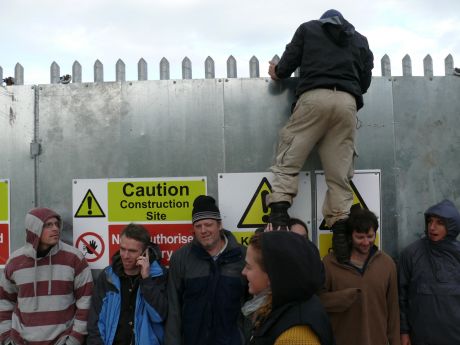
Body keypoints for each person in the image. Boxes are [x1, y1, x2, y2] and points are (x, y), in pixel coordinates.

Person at [266, 9, 374, 263]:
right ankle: (339, 235)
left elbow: (287, 64)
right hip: (347, 104)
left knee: (289, 156)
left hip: (314, 98)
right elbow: (365, 82)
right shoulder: (359, 40)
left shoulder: (308, 29)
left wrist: (276, 71)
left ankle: (280, 214)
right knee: (339, 175)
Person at [0, 207, 93, 345]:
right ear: (33, 229)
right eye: (48, 225)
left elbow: (85, 301)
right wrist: (6, 339)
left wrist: (74, 340)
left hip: (63, 341)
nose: (55, 229)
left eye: (56, 224)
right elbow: (4, 302)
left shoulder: (74, 258)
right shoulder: (15, 262)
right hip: (22, 341)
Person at [165, 195, 248, 345]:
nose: (203, 230)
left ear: (219, 225)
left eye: (208, 224)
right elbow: (174, 310)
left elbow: (254, 306)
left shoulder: (242, 255)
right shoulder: (181, 258)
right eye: (198, 226)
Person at [319, 208, 400, 345]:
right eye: (360, 237)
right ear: (350, 236)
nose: (366, 242)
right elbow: (317, 302)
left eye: (370, 236)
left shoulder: (387, 264)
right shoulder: (329, 263)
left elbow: (393, 311)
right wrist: (341, 298)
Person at [242, 231, 334, 344]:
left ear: (272, 275)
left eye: (248, 267)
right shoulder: (281, 304)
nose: (243, 272)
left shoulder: (295, 337)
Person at [87, 223, 167, 345]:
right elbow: (95, 323)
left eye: (132, 251)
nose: (125, 256)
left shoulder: (158, 276)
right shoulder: (108, 276)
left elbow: (159, 316)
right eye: (122, 249)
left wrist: (146, 279)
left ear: (145, 253)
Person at [399, 199, 460, 345]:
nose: (432, 227)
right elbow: (401, 297)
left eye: (439, 223)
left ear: (451, 226)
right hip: (420, 336)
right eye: (430, 221)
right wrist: (404, 332)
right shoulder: (411, 254)